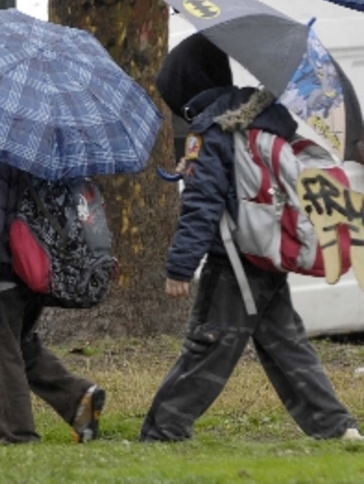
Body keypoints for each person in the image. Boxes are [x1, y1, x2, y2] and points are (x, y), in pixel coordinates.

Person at [140, 32, 360, 442]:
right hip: (266, 250)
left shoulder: (210, 130)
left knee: (208, 344)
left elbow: (203, 205)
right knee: (286, 343)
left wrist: (180, 266)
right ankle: (335, 427)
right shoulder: (262, 116)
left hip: (235, 257)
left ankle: (164, 431)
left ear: (187, 88)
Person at [0, 152, 105, 444]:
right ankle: (78, 399)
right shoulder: (52, 138)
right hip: (42, 266)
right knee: (22, 344)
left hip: (8, 268)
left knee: (0, 354)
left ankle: (18, 435)